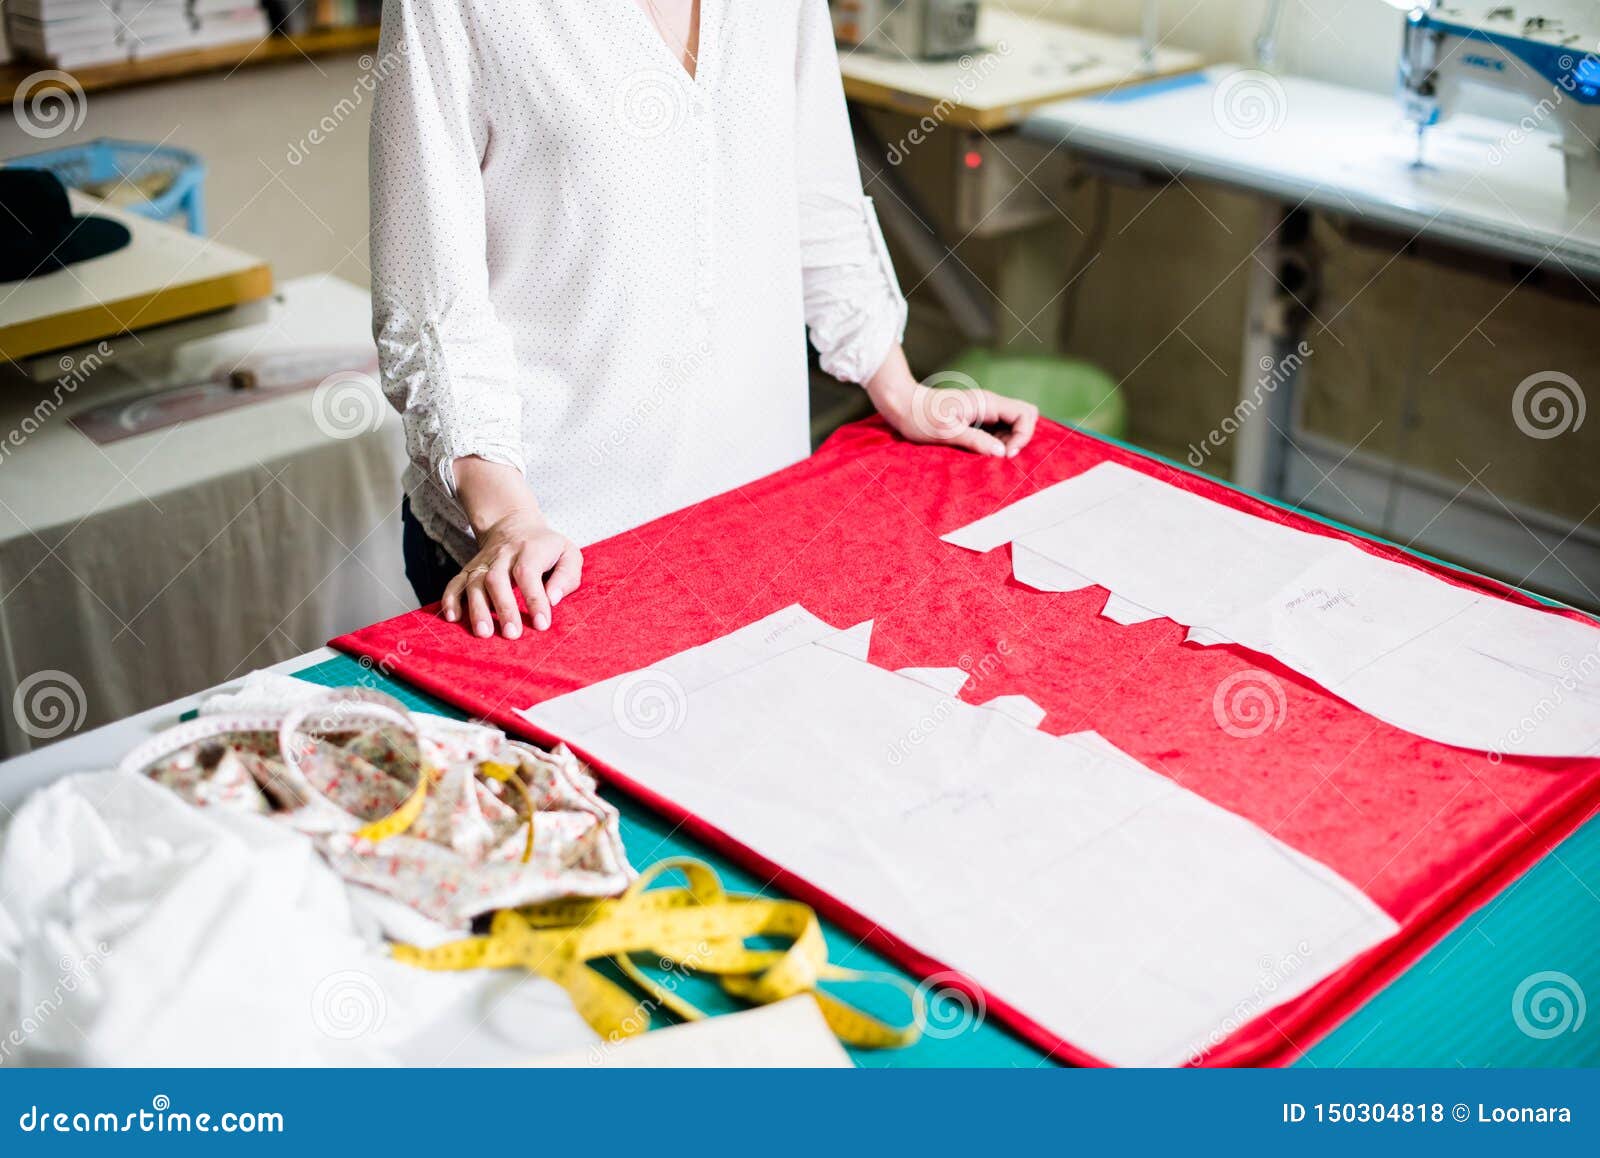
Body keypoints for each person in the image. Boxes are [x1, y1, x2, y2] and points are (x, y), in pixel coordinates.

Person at [370, 0, 1039, 640]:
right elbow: (430, 295)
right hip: (550, 553)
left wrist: (899, 387)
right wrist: (508, 519)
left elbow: (815, 191)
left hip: (753, 517)